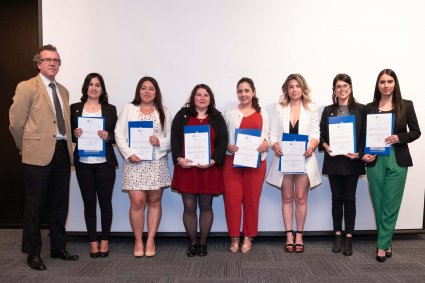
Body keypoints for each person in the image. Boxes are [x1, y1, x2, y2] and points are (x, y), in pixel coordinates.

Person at [9, 44, 78, 271]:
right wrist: (25, 147)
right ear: (39, 63)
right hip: (37, 154)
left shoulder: (64, 91)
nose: (52, 64)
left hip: (61, 153)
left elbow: (64, 125)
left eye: (56, 60)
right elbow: (16, 123)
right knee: (35, 205)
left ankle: (58, 248)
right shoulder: (27, 87)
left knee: (60, 204)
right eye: (48, 60)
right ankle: (33, 253)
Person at [361, 69, 420, 262]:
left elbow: (416, 131)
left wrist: (399, 137)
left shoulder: (406, 105)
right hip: (375, 159)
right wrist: (363, 154)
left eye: (390, 81)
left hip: (398, 158)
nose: (386, 85)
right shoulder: (369, 107)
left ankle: (381, 245)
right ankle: (386, 241)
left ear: (395, 84)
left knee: (391, 203)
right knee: (378, 202)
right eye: (382, 82)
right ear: (377, 85)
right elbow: (362, 135)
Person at [115, 76, 172, 258]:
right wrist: (128, 153)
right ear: (138, 91)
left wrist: (160, 141)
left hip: (156, 163)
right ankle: (138, 240)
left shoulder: (163, 111)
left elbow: (172, 137)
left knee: (154, 202)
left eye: (151, 88)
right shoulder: (129, 109)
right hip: (134, 162)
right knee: (137, 202)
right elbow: (118, 132)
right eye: (144, 88)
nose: (147, 91)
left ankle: (150, 240)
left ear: (156, 92)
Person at [266, 74, 321, 253]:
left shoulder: (312, 108)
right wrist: (275, 146)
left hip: (305, 159)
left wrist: (312, 147)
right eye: (291, 86)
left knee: (300, 198)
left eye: (297, 86)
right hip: (285, 159)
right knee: (287, 198)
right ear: (286, 89)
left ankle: (299, 235)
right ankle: (289, 235)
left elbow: (316, 134)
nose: (294, 89)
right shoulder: (279, 108)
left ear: (303, 88)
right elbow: (273, 133)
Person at [171, 84, 228, 257]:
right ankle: (193, 243)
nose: (202, 98)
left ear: (210, 99)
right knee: (188, 207)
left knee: (206, 206)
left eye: (206, 95)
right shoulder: (182, 115)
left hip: (208, 169)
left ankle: (203, 243)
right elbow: (174, 138)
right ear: (193, 97)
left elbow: (223, 141)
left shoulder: (216, 116)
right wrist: (179, 159)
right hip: (187, 168)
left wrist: (212, 161)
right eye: (198, 95)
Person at [71, 73, 118, 258]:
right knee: (89, 204)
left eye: (98, 84)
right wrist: (75, 134)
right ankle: (92, 242)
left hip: (104, 164)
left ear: (102, 89)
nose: (94, 87)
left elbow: (116, 134)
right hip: (83, 164)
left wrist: (109, 137)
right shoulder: (74, 108)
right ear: (85, 87)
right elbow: (70, 135)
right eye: (90, 84)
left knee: (105, 204)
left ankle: (104, 240)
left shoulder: (110, 109)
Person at [319, 74, 365, 256]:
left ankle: (349, 238)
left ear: (351, 88)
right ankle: (337, 235)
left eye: (345, 86)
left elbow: (364, 135)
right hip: (334, 161)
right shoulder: (328, 110)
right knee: (336, 199)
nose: (342, 89)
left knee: (350, 199)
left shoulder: (361, 109)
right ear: (334, 90)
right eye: (338, 86)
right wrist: (325, 145)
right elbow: (321, 134)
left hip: (352, 161)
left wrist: (360, 154)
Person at [223, 77, 269, 254]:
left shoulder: (262, 113)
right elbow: (222, 136)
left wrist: (267, 142)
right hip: (231, 163)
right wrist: (227, 145)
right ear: (237, 93)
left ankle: (248, 236)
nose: (243, 94)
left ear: (253, 92)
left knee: (251, 201)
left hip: (255, 164)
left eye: (246, 91)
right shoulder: (229, 111)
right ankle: (234, 237)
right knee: (232, 201)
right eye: (240, 91)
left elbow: (269, 134)